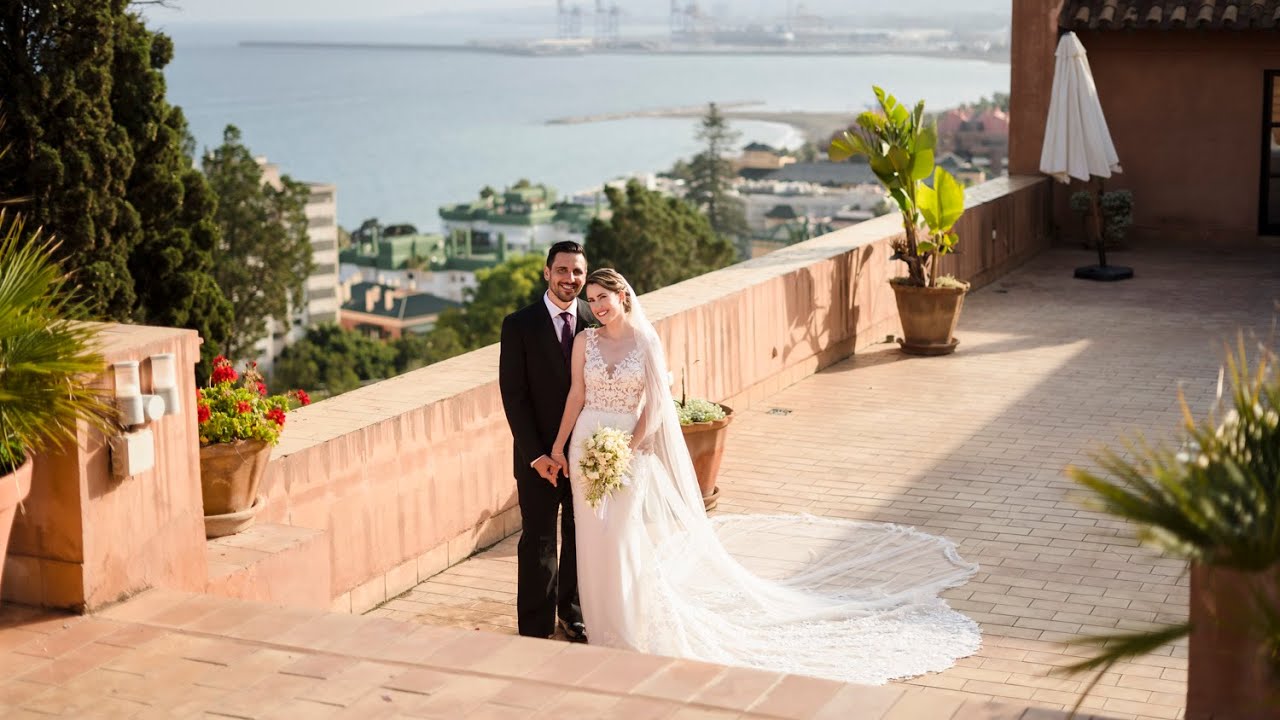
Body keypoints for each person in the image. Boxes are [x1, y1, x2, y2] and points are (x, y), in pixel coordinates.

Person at [548, 268, 981, 684]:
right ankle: (599, 630)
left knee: (621, 535)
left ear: (623, 296)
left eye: (603, 298)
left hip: (627, 447)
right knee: (589, 537)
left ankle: (625, 630)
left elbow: (656, 407)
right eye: (591, 300)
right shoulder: (585, 341)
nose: (597, 306)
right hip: (587, 443)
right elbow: (575, 395)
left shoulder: (645, 342)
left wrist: (629, 445)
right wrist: (559, 446)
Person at [498, 241, 592, 641]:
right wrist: (537, 454)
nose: (569, 279)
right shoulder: (519, 324)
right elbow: (513, 395)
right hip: (536, 457)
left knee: (577, 537)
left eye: (577, 272)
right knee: (537, 540)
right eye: (562, 270)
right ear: (546, 272)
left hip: (585, 453)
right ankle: (534, 628)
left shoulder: (595, 317)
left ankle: (572, 614)